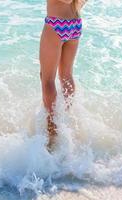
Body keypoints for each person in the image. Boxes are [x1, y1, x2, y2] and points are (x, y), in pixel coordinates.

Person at [39, 0, 87, 152]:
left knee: (47, 79)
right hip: (74, 23)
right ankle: (66, 116)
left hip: (56, 24)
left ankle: (52, 130)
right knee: (66, 75)